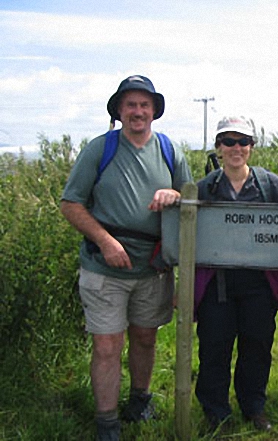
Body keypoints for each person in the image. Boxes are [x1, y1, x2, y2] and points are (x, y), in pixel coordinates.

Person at [60, 75, 193, 441]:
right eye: (131, 104)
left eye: (144, 105)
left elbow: (191, 201)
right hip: (104, 267)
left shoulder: (170, 150)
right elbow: (70, 203)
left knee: (146, 337)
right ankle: (107, 421)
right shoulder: (99, 149)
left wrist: (174, 194)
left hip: (152, 267)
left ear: (154, 111)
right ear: (119, 110)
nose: (138, 111)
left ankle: (139, 401)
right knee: (107, 344)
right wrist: (104, 241)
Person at [193, 116, 278, 434]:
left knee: (257, 346)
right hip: (217, 286)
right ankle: (216, 412)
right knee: (214, 348)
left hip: (260, 286)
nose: (236, 148)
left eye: (242, 141)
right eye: (228, 141)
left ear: (251, 146)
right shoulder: (205, 187)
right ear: (218, 147)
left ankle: (254, 407)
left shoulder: (270, 184)